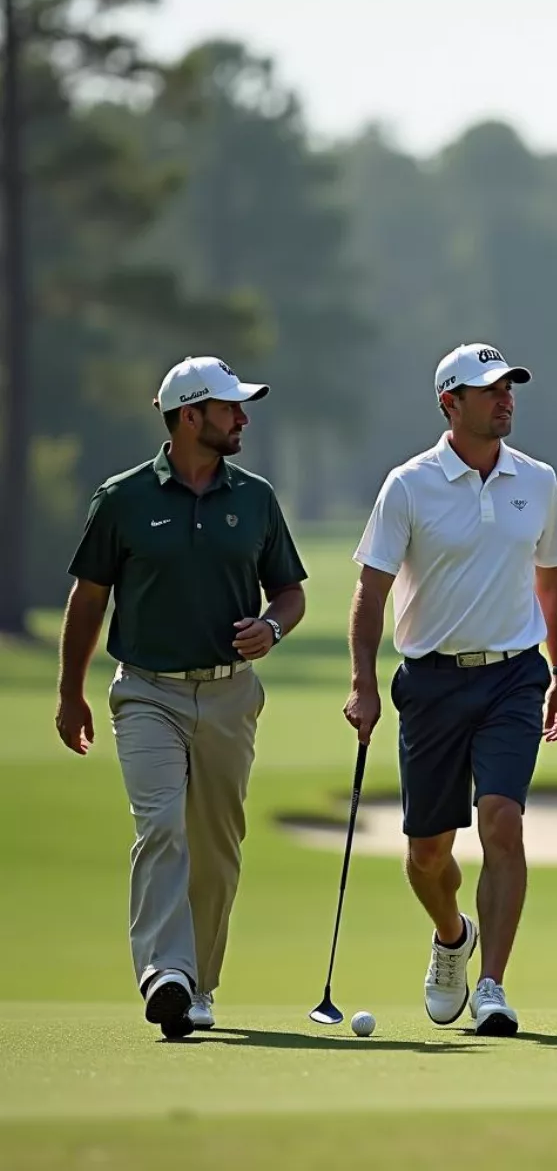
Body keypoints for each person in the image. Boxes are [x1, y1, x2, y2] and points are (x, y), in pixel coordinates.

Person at [55, 355, 308, 1039]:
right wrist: (70, 692)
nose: (243, 418)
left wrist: (273, 626)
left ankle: (199, 984)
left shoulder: (254, 497)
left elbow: (289, 591)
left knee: (217, 846)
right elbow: (89, 598)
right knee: (160, 825)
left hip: (230, 696)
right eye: (230, 408)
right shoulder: (123, 498)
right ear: (191, 416)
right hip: (146, 694)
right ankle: (166, 972)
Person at [344, 341, 557, 1038]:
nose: (505, 399)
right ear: (450, 403)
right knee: (427, 853)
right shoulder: (408, 485)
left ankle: (495, 986)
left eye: (509, 388)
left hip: (513, 674)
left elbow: (552, 579)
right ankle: (452, 937)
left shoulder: (537, 480)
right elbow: (372, 589)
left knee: (503, 820)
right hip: (432, 682)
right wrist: (362, 679)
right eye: (488, 390)